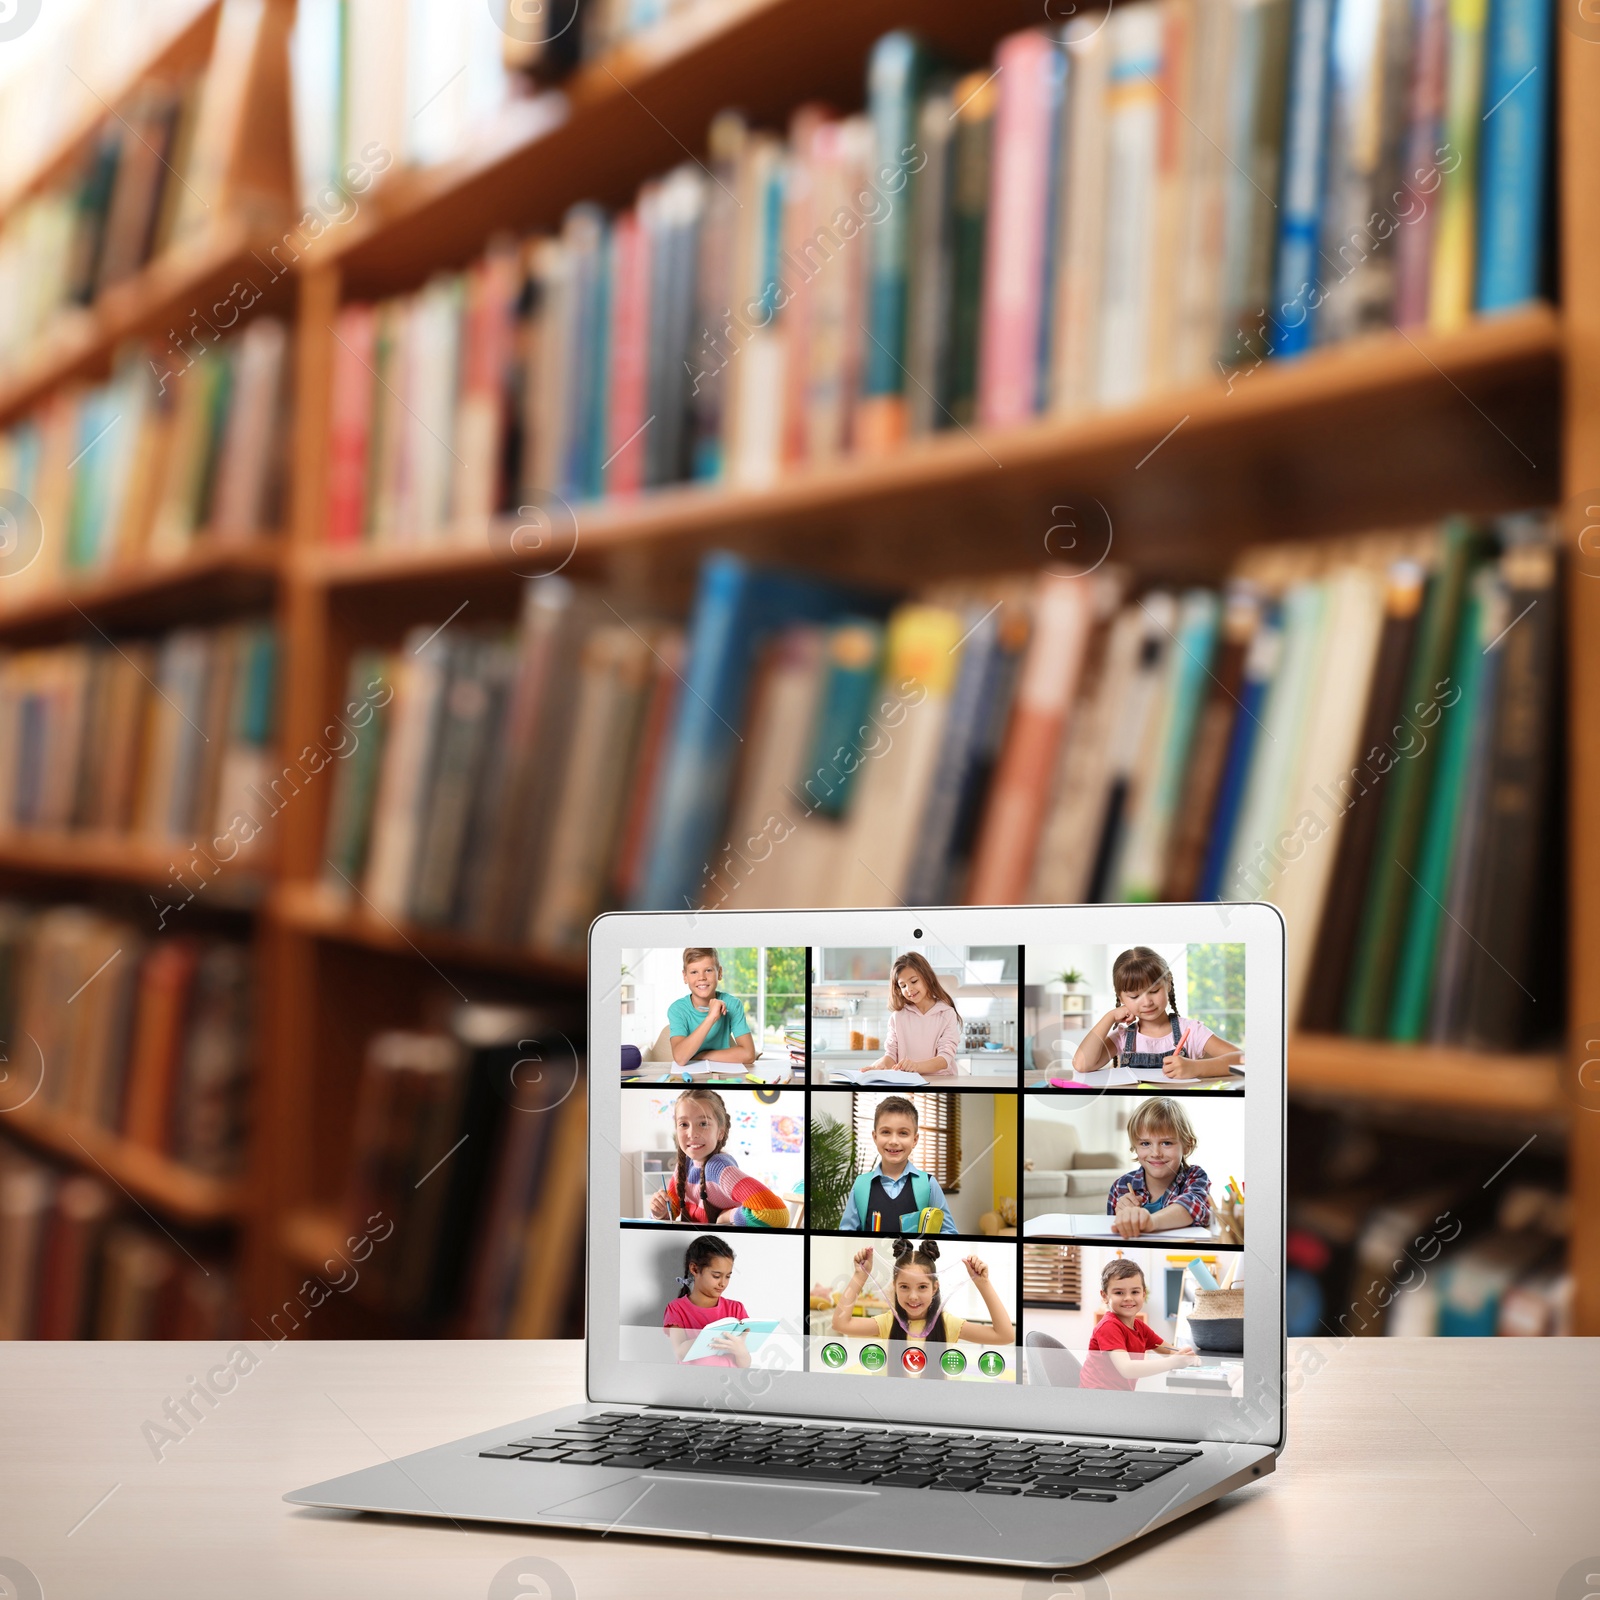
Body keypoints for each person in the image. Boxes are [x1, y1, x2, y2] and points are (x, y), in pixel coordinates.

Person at [1073, 946, 1243, 1079]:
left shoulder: (1191, 1031)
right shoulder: (1123, 1037)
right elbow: (1081, 1064)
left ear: (1168, 984)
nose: (1147, 1002)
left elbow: (1242, 1061)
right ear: (1121, 997)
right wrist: (1109, 1017)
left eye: (1154, 991)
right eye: (1134, 996)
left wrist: (1195, 1068)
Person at [831, 1238, 1013, 1350]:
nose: (913, 1296)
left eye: (922, 1287)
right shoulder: (887, 1322)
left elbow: (1005, 1335)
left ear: (935, 1288)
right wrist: (859, 1276)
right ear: (894, 1286)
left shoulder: (948, 1324)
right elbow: (840, 1323)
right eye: (904, 1287)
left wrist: (983, 1284)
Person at [647, 1087, 788, 1227]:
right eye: (684, 1124)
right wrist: (659, 1212)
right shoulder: (685, 1163)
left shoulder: (718, 1168)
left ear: (720, 1132)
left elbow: (776, 1214)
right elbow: (671, 1211)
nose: (692, 1133)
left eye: (703, 1124)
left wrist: (727, 1216)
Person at [837, 1095, 957, 1233]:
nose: (894, 1141)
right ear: (875, 1137)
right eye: (886, 1132)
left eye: (903, 1133)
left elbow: (949, 1232)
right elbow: (846, 1235)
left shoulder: (929, 1184)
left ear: (915, 1139)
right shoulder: (861, 1185)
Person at [1080, 1257, 1199, 1391]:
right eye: (1119, 1292)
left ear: (1143, 1294)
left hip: (1117, 1398)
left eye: (1135, 1292)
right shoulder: (1108, 1326)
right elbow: (1127, 1369)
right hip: (1097, 1399)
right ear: (1105, 1296)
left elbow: (1169, 1351)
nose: (1128, 1298)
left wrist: (1186, 1355)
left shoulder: (1139, 1327)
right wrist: (1172, 1362)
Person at [1105, 1097, 1213, 1238]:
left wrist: (1151, 1221)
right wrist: (1123, 1215)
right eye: (1145, 1144)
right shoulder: (1121, 1186)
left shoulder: (1195, 1176)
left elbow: (1193, 1206)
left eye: (1166, 1143)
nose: (1155, 1153)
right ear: (1135, 1147)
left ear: (1187, 1146)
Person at [868, 952, 961, 1079]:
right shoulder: (898, 1017)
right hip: (908, 1082)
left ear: (927, 977)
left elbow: (944, 1059)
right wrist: (881, 1065)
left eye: (914, 981)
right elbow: (891, 1055)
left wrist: (915, 1066)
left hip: (941, 1082)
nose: (909, 989)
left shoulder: (946, 1014)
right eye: (903, 985)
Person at [662, 1236, 751, 1367]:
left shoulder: (736, 1309)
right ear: (695, 1269)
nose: (723, 1283)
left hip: (729, 1383)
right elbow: (680, 1352)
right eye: (716, 1276)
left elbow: (745, 1364)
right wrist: (713, 1336)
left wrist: (741, 1352)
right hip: (694, 1382)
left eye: (728, 1276)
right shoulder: (676, 1308)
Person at [668, 948, 756, 1068]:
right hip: (689, 1075)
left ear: (719, 973)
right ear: (685, 976)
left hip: (723, 1072)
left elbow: (749, 1055)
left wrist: (704, 1055)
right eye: (694, 972)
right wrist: (711, 1018)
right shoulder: (677, 1009)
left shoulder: (732, 1004)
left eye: (708, 970)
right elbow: (680, 1058)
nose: (702, 977)